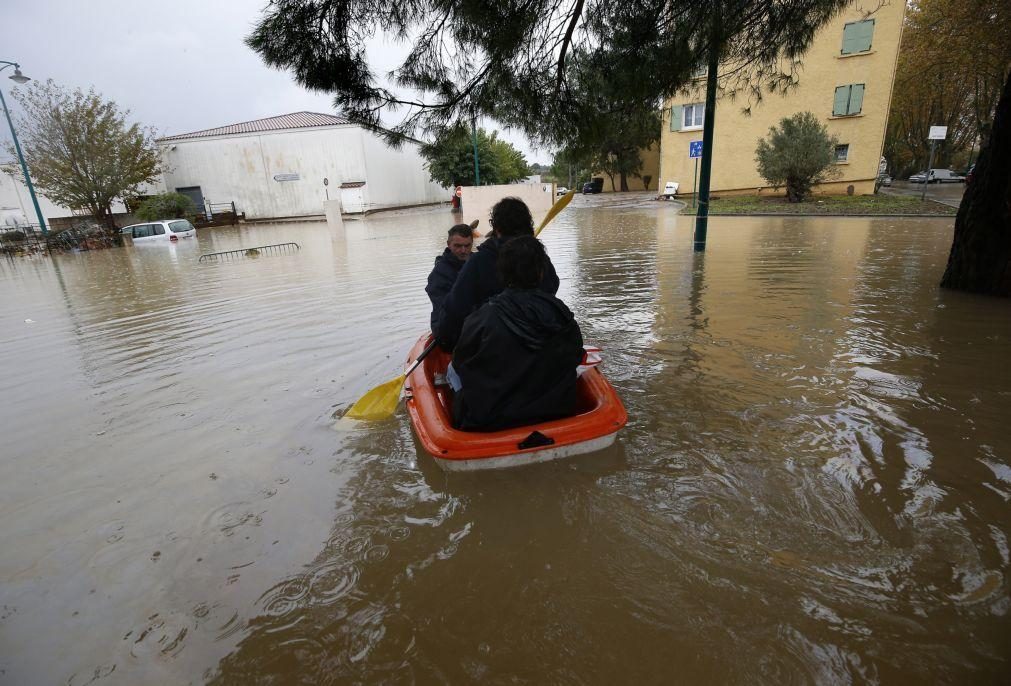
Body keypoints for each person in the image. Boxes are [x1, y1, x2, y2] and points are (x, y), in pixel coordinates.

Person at [449, 235, 583, 431]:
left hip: (490, 418)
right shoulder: (560, 312)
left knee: (451, 370)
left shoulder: (483, 316)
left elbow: (460, 362)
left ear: (502, 273)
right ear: (540, 272)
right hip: (555, 410)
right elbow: (576, 356)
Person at [436, 197, 559, 349]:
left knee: (454, 371)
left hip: (491, 347)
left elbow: (455, 309)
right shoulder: (541, 259)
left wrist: (446, 343)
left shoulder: (479, 261)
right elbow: (552, 288)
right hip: (539, 344)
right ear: (529, 226)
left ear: (496, 228)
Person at [426, 223, 475, 334]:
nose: (463, 251)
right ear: (449, 244)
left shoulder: (478, 262)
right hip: (448, 327)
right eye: (458, 246)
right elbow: (446, 308)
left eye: (467, 246)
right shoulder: (439, 273)